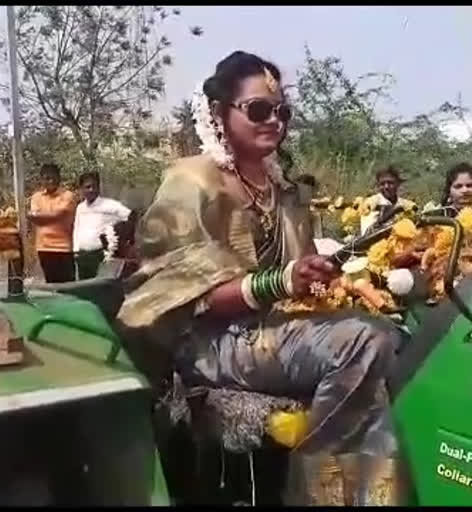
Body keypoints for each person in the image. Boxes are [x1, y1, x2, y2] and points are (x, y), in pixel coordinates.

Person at [116, 51, 403, 505]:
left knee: (392, 330)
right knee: (360, 341)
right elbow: (192, 295)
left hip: (273, 332)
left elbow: (300, 273)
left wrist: (334, 280)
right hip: (209, 342)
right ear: (218, 113)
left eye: (282, 111)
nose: (274, 120)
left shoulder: (281, 187)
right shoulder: (192, 183)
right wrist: (284, 281)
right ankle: (321, 495)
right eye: (258, 110)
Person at [72, 171, 132, 280]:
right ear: (81, 189)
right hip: (82, 255)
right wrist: (75, 249)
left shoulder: (109, 205)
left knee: (99, 285)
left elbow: (129, 216)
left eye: (94, 186)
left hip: (100, 254)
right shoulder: (80, 208)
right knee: (84, 285)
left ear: (99, 187)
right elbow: (77, 228)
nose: (91, 190)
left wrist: (120, 237)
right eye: (87, 187)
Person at [28, 163, 76, 283]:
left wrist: (39, 217)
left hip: (64, 248)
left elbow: (57, 215)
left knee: (68, 285)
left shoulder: (68, 196)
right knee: (51, 284)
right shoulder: (36, 197)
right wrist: (41, 217)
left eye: (54, 177)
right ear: (42, 180)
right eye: (47, 178)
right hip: (44, 248)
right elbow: (35, 218)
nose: (51, 181)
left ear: (59, 178)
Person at [360, 165, 416, 234]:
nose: (386, 187)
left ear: (397, 184)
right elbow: (367, 233)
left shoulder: (405, 203)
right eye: (382, 184)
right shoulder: (371, 203)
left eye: (390, 183)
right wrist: (393, 211)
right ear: (378, 186)